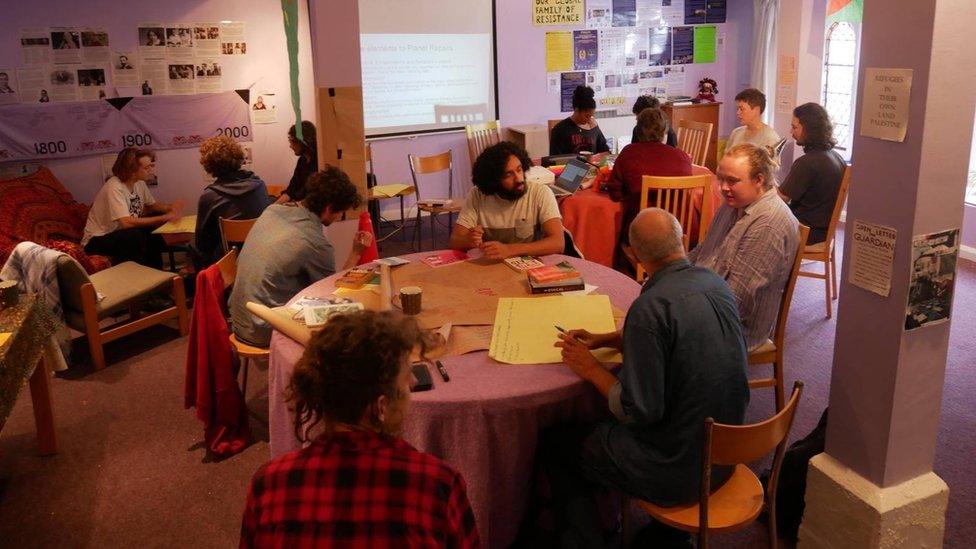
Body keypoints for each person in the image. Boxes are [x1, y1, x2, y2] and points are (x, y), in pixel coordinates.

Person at [535, 208, 749, 547]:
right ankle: (666, 535)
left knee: (557, 443)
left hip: (676, 469)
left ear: (632, 254)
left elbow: (637, 411)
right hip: (726, 454)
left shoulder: (649, 307)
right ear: (681, 241)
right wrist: (609, 339)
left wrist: (590, 368)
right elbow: (682, 341)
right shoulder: (715, 284)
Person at [240, 311, 480, 547]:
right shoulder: (437, 485)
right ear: (381, 407)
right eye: (407, 375)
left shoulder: (268, 484)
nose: (414, 382)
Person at [230, 166, 372, 347]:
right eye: (340, 212)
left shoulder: (271, 211)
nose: (339, 217)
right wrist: (356, 252)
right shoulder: (315, 242)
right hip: (264, 328)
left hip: (238, 319)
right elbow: (332, 293)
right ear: (329, 208)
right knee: (351, 320)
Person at [688, 144, 799, 351]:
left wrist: (682, 305)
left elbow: (736, 302)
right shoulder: (734, 204)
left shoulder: (769, 224)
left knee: (656, 329)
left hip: (735, 327)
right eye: (720, 178)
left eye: (732, 181)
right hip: (707, 297)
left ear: (759, 180)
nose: (722, 187)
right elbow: (703, 252)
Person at [448, 141, 565, 260]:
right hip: (488, 268)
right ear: (493, 181)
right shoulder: (476, 195)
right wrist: (468, 240)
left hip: (526, 268)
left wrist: (510, 250)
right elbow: (454, 242)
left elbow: (558, 243)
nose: (519, 179)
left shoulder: (540, 193)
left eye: (519, 170)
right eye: (508, 175)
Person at [82, 148, 184, 269]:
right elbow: (126, 223)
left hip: (119, 233)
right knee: (133, 235)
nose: (151, 170)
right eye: (146, 168)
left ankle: (157, 274)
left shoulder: (139, 182)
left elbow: (152, 205)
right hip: (96, 240)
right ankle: (139, 277)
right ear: (132, 170)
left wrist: (170, 208)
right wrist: (164, 217)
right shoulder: (114, 186)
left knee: (151, 229)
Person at [605, 106, 692, 246]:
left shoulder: (629, 153)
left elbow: (615, 193)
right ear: (665, 132)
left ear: (638, 131)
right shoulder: (682, 156)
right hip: (678, 233)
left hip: (641, 234)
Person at [192, 136, 271, 268]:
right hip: (262, 255)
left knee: (197, 249)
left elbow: (202, 243)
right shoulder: (259, 185)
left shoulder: (209, 196)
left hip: (231, 261)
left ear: (208, 166)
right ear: (238, 157)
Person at [780, 102, 846, 244]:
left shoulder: (807, 163)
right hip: (824, 231)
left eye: (794, 127)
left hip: (806, 232)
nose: (791, 132)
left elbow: (781, 199)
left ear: (808, 128)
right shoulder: (836, 157)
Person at [549, 85, 610, 155]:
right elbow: (554, 159)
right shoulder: (560, 129)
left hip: (593, 165)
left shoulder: (593, 127)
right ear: (576, 110)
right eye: (587, 116)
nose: (589, 119)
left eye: (592, 116)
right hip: (570, 165)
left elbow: (605, 152)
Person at [727, 88, 782, 154]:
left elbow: (770, 164)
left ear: (756, 110)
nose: (738, 113)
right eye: (737, 109)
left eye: (742, 109)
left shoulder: (770, 139)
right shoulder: (736, 133)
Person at [274, 121, 317, 204]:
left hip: (311, 208)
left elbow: (312, 197)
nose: (290, 146)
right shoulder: (302, 160)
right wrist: (273, 207)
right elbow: (292, 189)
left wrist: (293, 205)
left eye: (292, 141)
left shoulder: (319, 162)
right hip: (298, 204)